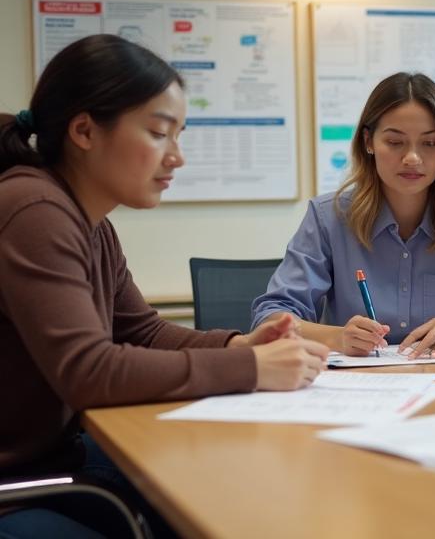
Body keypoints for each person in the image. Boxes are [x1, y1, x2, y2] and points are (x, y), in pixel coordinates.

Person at [0, 34, 328, 537]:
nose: (177, 158)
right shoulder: (35, 211)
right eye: (159, 133)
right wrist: (249, 366)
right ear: (84, 130)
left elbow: (143, 332)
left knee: (218, 493)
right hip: (20, 483)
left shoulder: (91, 223)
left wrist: (240, 344)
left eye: (179, 135)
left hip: (56, 458)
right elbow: (88, 371)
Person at [252, 72, 435, 359]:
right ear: (369, 142)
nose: (412, 158)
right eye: (395, 142)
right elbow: (271, 318)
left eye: (429, 143)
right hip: (355, 388)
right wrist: (337, 337)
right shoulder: (329, 218)